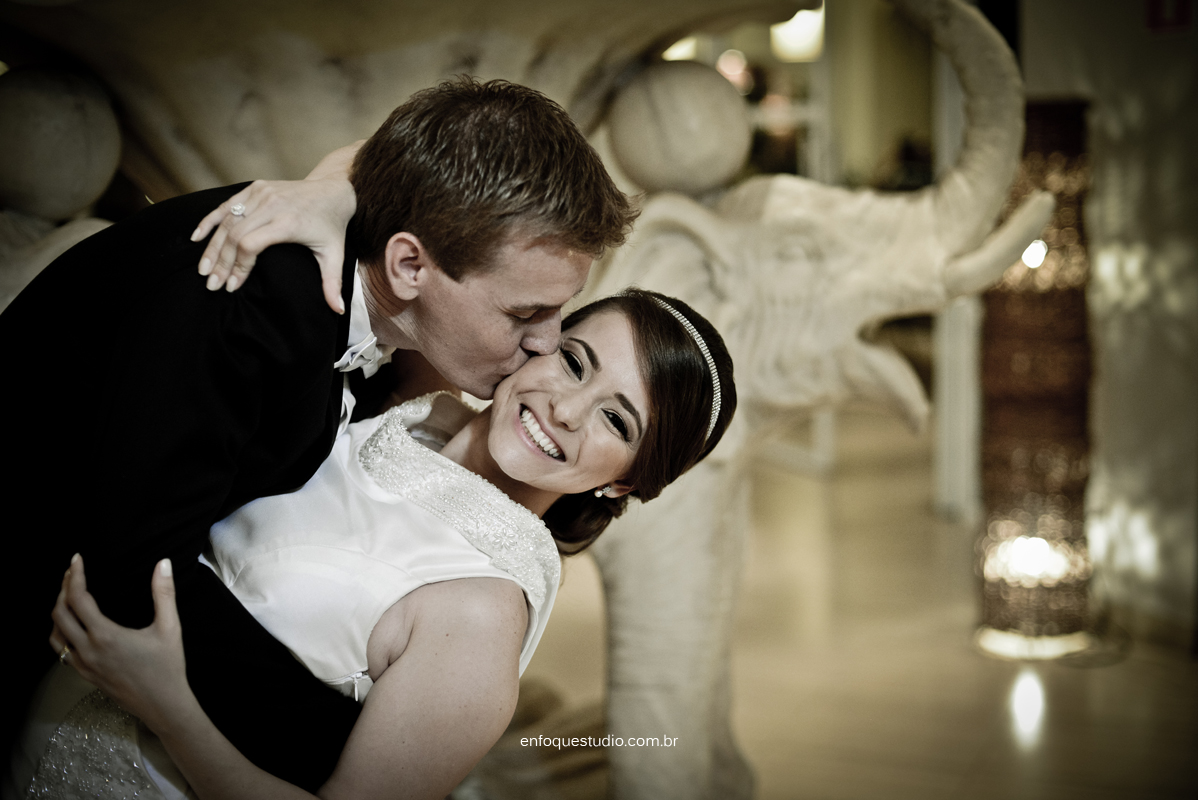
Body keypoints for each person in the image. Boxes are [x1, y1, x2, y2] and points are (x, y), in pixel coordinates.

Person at [0, 76, 634, 790]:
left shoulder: (357, 284)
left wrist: (334, 184)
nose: (546, 343)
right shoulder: (248, 309)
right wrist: (370, 752)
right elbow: (131, 574)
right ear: (409, 265)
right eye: (523, 314)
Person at [28, 289, 737, 800]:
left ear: (624, 482)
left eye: (617, 421)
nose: (567, 409)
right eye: (576, 363)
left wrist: (168, 707)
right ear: (542, 340)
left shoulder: (481, 616)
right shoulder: (391, 400)